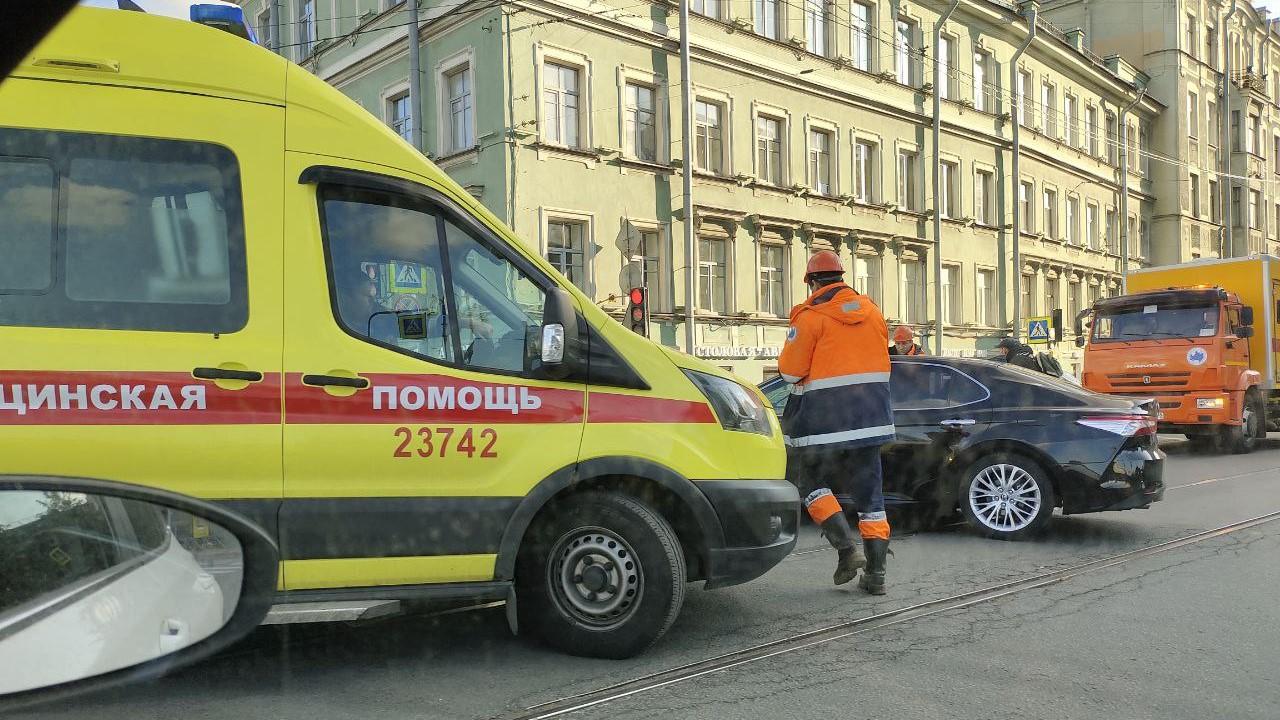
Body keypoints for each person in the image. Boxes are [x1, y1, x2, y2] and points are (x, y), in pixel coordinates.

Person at [778, 250, 895, 594]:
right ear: (842, 278)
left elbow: (789, 372)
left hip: (824, 424)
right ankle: (876, 576)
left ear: (812, 282)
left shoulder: (810, 318)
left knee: (809, 481)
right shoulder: (873, 313)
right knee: (872, 498)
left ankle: (846, 550)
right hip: (871, 421)